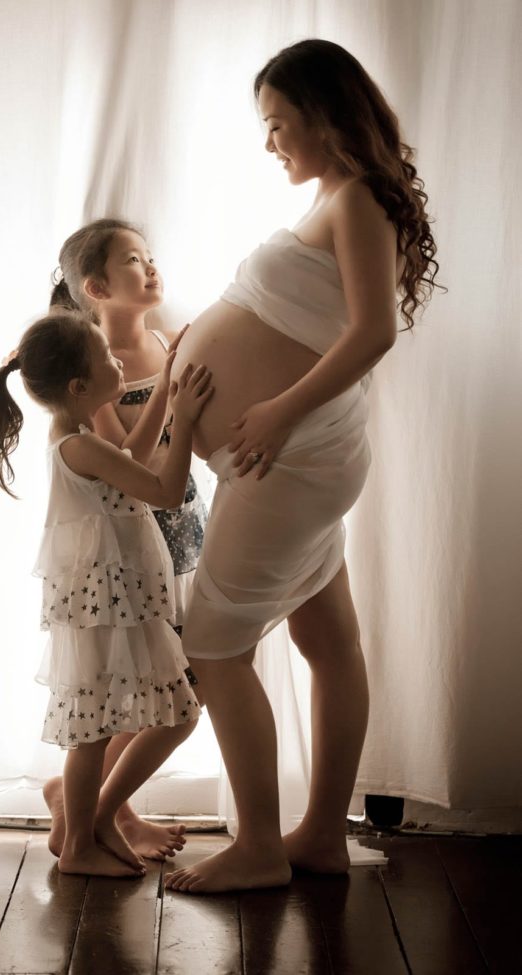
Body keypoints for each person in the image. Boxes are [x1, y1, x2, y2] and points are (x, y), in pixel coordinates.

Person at [164, 38, 441, 893]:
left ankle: (256, 844)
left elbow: (372, 333)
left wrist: (281, 408)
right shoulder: (336, 194)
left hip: (292, 455)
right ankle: (319, 832)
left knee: (212, 643)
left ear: (326, 117)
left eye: (281, 125)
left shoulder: (357, 197)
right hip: (293, 461)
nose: (271, 142)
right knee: (329, 639)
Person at [0, 311, 212, 876]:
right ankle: (80, 847)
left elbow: (132, 458)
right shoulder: (78, 447)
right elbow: (161, 490)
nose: (119, 363)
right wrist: (182, 422)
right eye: (108, 360)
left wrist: (163, 387)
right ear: (79, 387)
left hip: (116, 604)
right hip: (106, 611)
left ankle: (93, 822)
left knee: (109, 726)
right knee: (101, 730)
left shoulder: (78, 434)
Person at [41, 219, 208, 861]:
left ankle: (94, 807)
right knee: (148, 690)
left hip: (180, 537)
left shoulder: (165, 339)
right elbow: (128, 464)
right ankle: (102, 813)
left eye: (150, 255)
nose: (151, 267)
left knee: (161, 686)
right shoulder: (94, 374)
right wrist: (170, 390)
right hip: (130, 549)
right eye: (134, 259)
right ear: (96, 287)